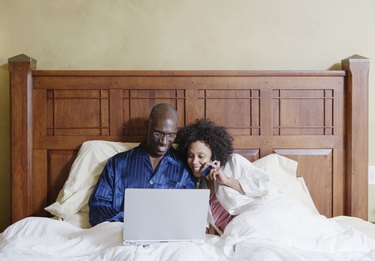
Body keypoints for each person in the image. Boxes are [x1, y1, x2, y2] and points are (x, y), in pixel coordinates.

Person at [88, 103, 196, 226]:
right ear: (147, 126)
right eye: (158, 133)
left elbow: (189, 214)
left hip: (167, 240)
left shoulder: (184, 169)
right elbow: (97, 208)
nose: (164, 142)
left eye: (171, 135)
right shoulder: (117, 164)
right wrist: (130, 221)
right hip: (120, 236)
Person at [176, 118, 272, 235]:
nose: (194, 161)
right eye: (190, 155)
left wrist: (227, 180)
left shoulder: (234, 161)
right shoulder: (196, 184)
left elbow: (265, 186)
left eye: (201, 156)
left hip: (254, 222)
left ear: (213, 155)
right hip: (231, 235)